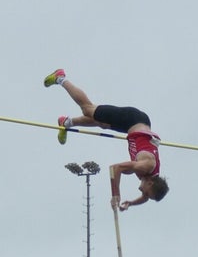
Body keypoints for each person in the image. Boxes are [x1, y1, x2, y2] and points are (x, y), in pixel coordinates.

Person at [43, 69, 169, 210]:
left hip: (136, 125)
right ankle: (61, 78)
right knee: (88, 109)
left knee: (101, 122)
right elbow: (115, 168)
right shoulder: (146, 166)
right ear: (151, 184)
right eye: (146, 192)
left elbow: (145, 199)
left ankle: (66, 122)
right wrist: (116, 195)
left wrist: (130, 203)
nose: (142, 193)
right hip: (132, 119)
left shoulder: (150, 178)